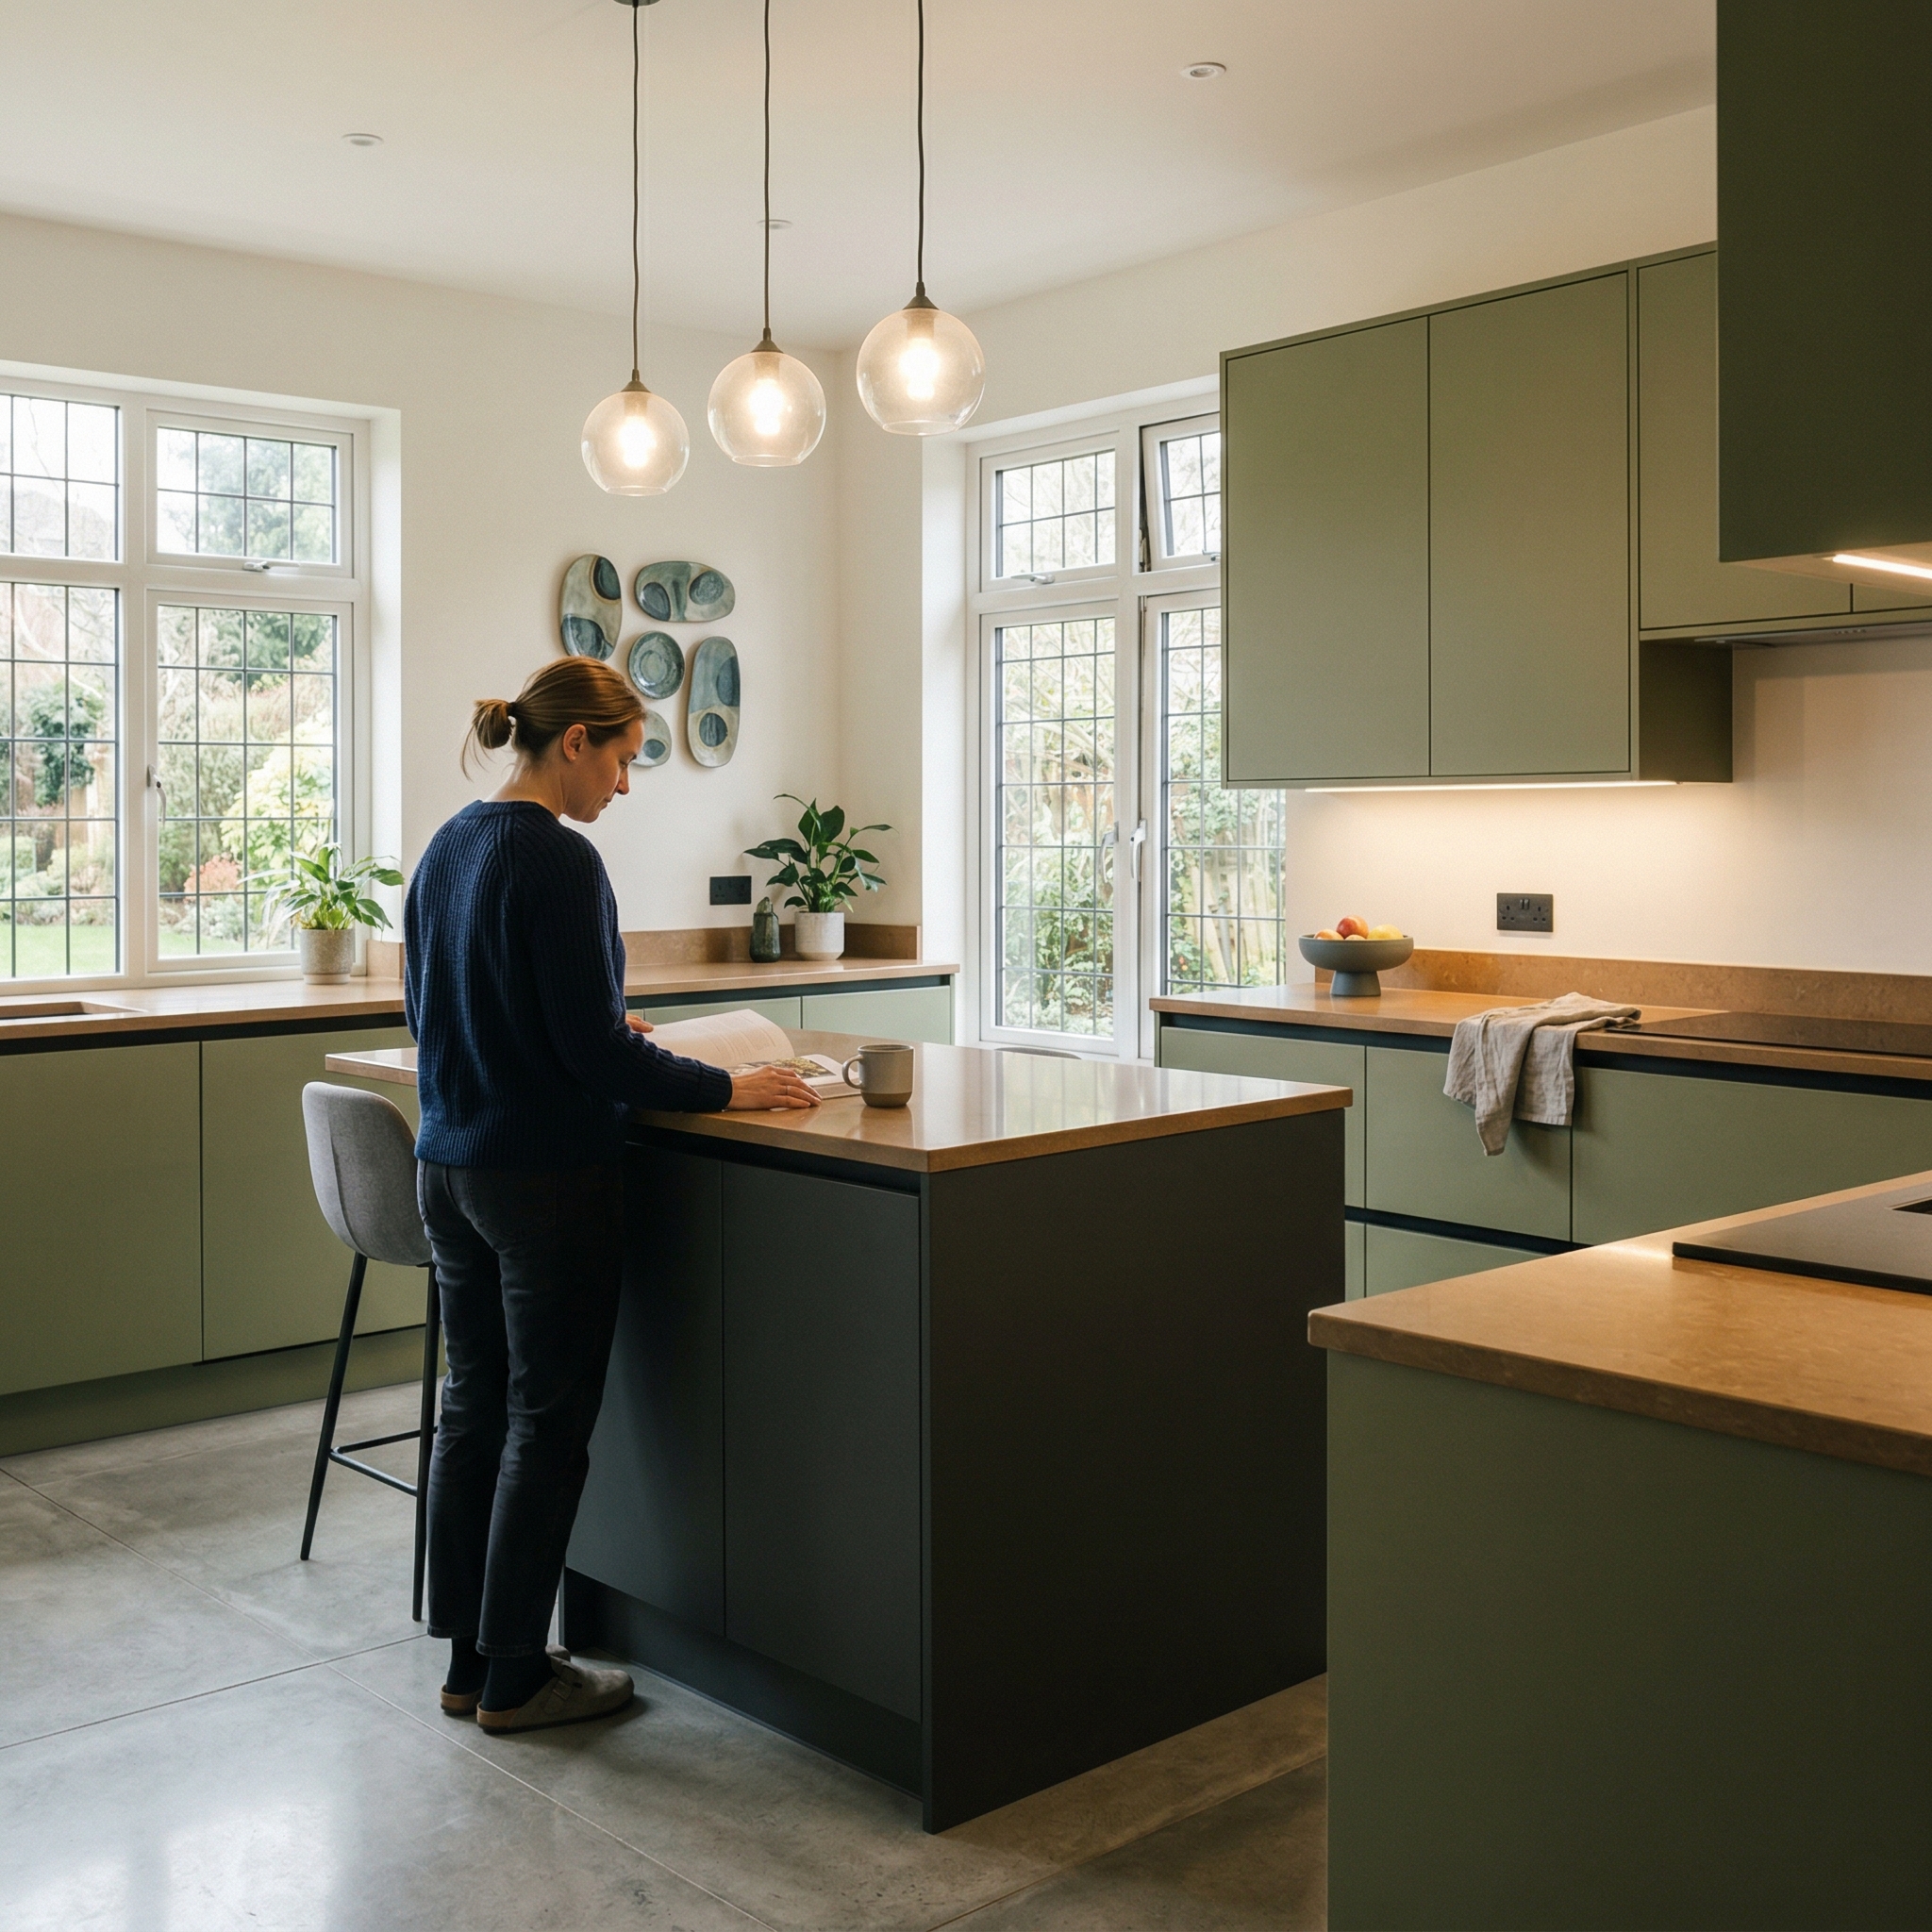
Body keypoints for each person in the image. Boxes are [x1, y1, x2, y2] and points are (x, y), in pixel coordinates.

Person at [405, 655, 818, 1735]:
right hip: (541, 1178)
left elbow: (440, 1016)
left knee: (472, 1410)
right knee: (546, 1423)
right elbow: (596, 1056)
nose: (625, 786)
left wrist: (596, 1032)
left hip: (447, 1166)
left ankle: (467, 1662)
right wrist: (727, 1083)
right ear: (575, 742)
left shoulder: (447, 844)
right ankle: (517, 1679)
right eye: (626, 758)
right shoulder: (558, 859)